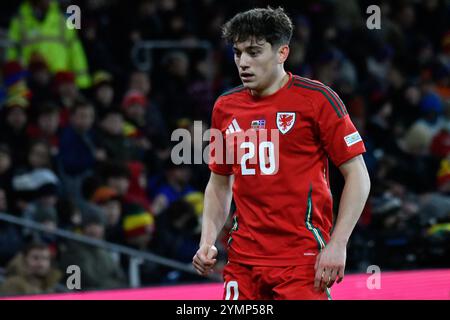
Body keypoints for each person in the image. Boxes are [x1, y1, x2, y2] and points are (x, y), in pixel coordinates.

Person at [192, 7, 371, 300]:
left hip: (301, 261)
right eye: (238, 53)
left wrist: (338, 243)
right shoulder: (225, 107)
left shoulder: (317, 99)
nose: (243, 63)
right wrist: (208, 241)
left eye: (254, 52)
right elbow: (220, 183)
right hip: (243, 262)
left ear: (282, 52)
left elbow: (358, 175)